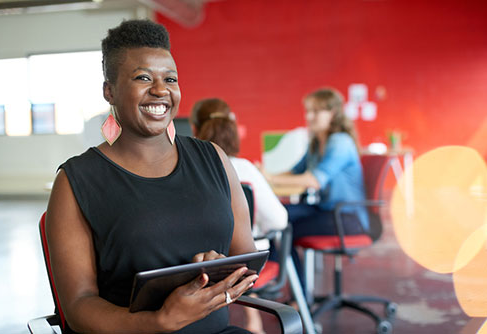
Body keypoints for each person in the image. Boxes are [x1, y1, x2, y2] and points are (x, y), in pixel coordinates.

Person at [45, 20, 258, 334]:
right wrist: (160, 321)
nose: (161, 90)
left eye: (170, 78)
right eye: (143, 77)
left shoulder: (214, 158)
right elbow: (78, 305)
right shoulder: (76, 181)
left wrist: (218, 269)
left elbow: (246, 261)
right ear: (110, 91)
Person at [190, 98, 288, 334]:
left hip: (199, 264)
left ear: (194, 129)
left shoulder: (189, 172)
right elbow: (279, 220)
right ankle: (263, 316)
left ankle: (252, 318)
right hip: (247, 263)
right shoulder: (244, 168)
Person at [260, 87, 368, 288]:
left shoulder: (340, 142)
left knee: (283, 229)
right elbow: (294, 172)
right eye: (308, 111)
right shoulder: (316, 143)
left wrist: (270, 177)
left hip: (346, 218)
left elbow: (314, 180)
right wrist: (264, 176)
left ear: (333, 113)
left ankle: (290, 289)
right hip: (326, 210)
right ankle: (279, 280)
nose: (309, 116)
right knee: (275, 216)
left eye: (316, 111)